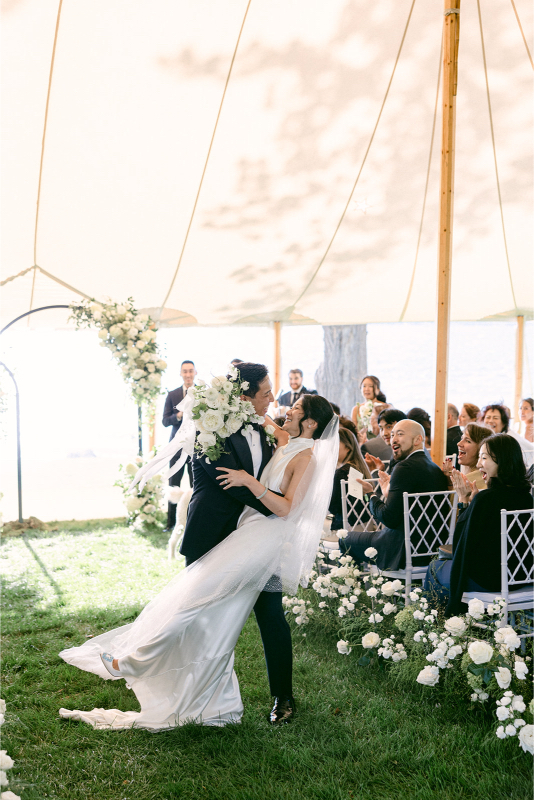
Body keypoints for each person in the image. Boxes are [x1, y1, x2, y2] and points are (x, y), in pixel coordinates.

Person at [59, 374, 338, 731]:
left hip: (265, 541)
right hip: (244, 533)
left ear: (311, 422)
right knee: (209, 609)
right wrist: (214, 400)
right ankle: (204, 693)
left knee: (223, 605)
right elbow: (253, 414)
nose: (279, 404)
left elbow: (286, 509)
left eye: (293, 407)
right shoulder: (282, 438)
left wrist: (249, 481)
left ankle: (134, 661)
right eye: (269, 394)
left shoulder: (308, 457)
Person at [424, 435, 533, 615]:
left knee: (435, 567)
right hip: (521, 577)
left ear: (502, 461)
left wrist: (463, 501)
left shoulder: (486, 499)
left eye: (484, 458)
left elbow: (461, 545)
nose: (479, 464)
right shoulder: (526, 497)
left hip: (488, 580)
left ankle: (440, 625)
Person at [339, 420, 449, 571]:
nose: (393, 439)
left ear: (418, 440)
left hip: (401, 549)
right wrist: (385, 494)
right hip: (430, 549)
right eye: (392, 435)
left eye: (400, 434)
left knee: (344, 538)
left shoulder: (404, 467)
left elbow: (389, 519)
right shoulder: (434, 468)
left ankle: (352, 590)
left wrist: (371, 494)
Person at [162, 360, 196, 530]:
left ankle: (192, 521)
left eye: (190, 371)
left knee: (195, 485)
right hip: (176, 447)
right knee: (173, 483)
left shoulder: (202, 394)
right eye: (185, 371)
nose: (188, 375)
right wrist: (179, 415)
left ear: (195, 373)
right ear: (181, 374)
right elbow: (165, 421)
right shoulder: (172, 394)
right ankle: (170, 523)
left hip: (196, 447)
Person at [329, 427, 371, 532]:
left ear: (348, 448)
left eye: (335, 444)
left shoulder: (342, 472)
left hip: (346, 529)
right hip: (366, 523)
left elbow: (334, 507)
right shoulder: (357, 467)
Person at [444, 422, 493, 497]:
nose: (459, 444)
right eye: (461, 438)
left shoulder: (471, 480)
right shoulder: (468, 475)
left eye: (468, 441)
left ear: (482, 449)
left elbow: (453, 506)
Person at [483, 403, 534, 470]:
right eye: (488, 417)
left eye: (495, 418)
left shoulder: (509, 440)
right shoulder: (494, 438)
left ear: (504, 423)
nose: (491, 421)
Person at [364, 408, 406, 476]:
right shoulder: (397, 452)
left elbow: (392, 485)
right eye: (381, 428)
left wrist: (375, 471)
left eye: (389, 427)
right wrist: (381, 471)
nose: (384, 433)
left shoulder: (405, 456)